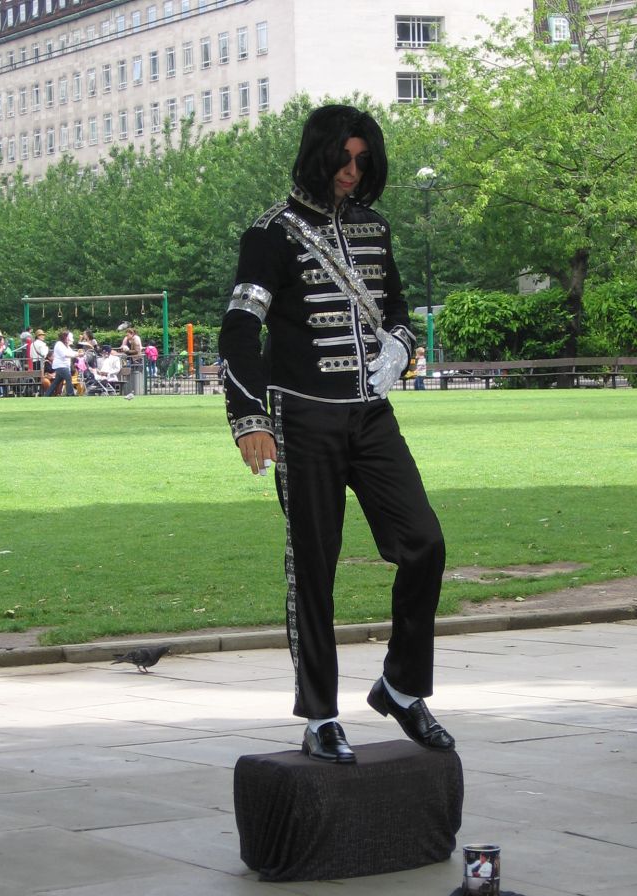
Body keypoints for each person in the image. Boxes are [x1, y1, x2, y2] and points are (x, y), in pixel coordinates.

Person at [219, 104, 453, 764]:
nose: (352, 172)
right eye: (343, 159)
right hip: (303, 417)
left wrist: (400, 344)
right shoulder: (270, 233)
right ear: (318, 155)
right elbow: (239, 331)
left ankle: (401, 687)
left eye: (362, 161)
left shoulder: (376, 229)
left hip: (371, 414)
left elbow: (396, 308)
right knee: (313, 567)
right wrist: (250, 418)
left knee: (424, 543)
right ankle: (320, 715)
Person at [42, 328, 77, 396]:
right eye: (68, 337)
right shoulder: (59, 344)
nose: (69, 339)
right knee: (68, 378)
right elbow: (65, 354)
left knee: (56, 382)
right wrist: (77, 354)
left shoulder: (65, 345)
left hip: (63, 366)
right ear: (65, 337)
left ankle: (47, 394)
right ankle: (70, 394)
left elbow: (71, 352)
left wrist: (78, 353)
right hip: (61, 366)